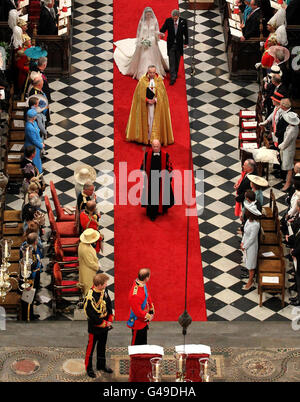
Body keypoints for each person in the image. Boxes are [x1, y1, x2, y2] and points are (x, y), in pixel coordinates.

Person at [114, 7, 168, 80]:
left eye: (149, 15)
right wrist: (141, 39)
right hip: (144, 41)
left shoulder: (154, 21)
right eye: (147, 15)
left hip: (152, 42)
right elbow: (139, 32)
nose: (148, 16)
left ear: (151, 14)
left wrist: (160, 34)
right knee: (144, 56)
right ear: (145, 15)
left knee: (153, 56)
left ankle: (154, 71)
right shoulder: (142, 22)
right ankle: (143, 73)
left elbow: (156, 31)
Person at [126, 65, 174, 146]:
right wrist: (146, 100)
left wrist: (155, 100)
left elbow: (162, 95)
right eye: (150, 72)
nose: (152, 74)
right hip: (145, 106)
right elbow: (139, 95)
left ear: (155, 72)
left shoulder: (159, 81)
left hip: (156, 106)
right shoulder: (142, 80)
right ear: (148, 72)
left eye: (153, 72)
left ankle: (154, 138)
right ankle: (147, 138)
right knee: (148, 120)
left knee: (153, 119)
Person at [83, 273, 114, 378]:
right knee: (90, 349)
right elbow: (91, 315)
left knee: (102, 347)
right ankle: (89, 368)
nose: (106, 285)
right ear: (99, 285)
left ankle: (101, 365)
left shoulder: (104, 291)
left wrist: (110, 319)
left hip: (104, 326)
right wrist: (104, 323)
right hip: (94, 328)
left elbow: (109, 305)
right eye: (105, 283)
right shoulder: (89, 297)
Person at [141, 139, 174, 221]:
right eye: (154, 146)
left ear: (160, 146)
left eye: (157, 146)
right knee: (152, 198)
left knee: (164, 195)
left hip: (162, 179)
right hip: (151, 180)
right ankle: (152, 214)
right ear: (152, 146)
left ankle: (163, 208)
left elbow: (170, 167)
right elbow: (143, 166)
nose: (155, 148)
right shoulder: (147, 155)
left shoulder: (165, 155)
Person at [160, 9, 188, 85]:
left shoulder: (183, 21)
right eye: (173, 18)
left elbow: (186, 33)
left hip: (179, 45)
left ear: (178, 16)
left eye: (175, 18)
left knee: (177, 60)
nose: (174, 20)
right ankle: (173, 77)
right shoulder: (168, 21)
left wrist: (186, 43)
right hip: (171, 44)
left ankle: (175, 73)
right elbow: (163, 29)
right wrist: (161, 33)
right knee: (171, 60)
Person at [127, 268, 154, 345]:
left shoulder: (141, 284)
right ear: (146, 278)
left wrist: (151, 309)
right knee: (136, 345)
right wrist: (148, 316)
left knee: (143, 344)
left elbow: (147, 294)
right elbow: (137, 311)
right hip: (138, 322)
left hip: (143, 321)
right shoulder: (135, 294)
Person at [241, 201, 261, 290]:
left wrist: (245, 246)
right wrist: (242, 242)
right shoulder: (248, 221)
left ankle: (250, 281)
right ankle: (250, 279)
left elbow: (252, 238)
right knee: (247, 261)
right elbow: (245, 233)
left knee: (251, 265)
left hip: (252, 246)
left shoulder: (256, 225)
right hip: (246, 243)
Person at [278, 112, 300, 191]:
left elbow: (286, 142)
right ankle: (287, 181)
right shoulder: (293, 126)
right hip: (289, 148)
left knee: (289, 167)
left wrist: (280, 146)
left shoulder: (292, 130)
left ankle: (288, 183)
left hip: (288, 149)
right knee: (288, 167)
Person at [78, 229, 102, 295]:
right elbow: (90, 263)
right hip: (88, 271)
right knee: (89, 288)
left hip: (85, 268)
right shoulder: (86, 249)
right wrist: (98, 266)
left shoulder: (82, 244)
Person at [24, 109, 44, 173]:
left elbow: (37, 133)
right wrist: (41, 145)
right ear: (33, 117)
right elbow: (33, 140)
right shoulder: (29, 127)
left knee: (38, 160)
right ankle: (36, 175)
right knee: (34, 162)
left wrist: (41, 142)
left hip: (36, 145)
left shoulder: (34, 123)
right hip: (32, 147)